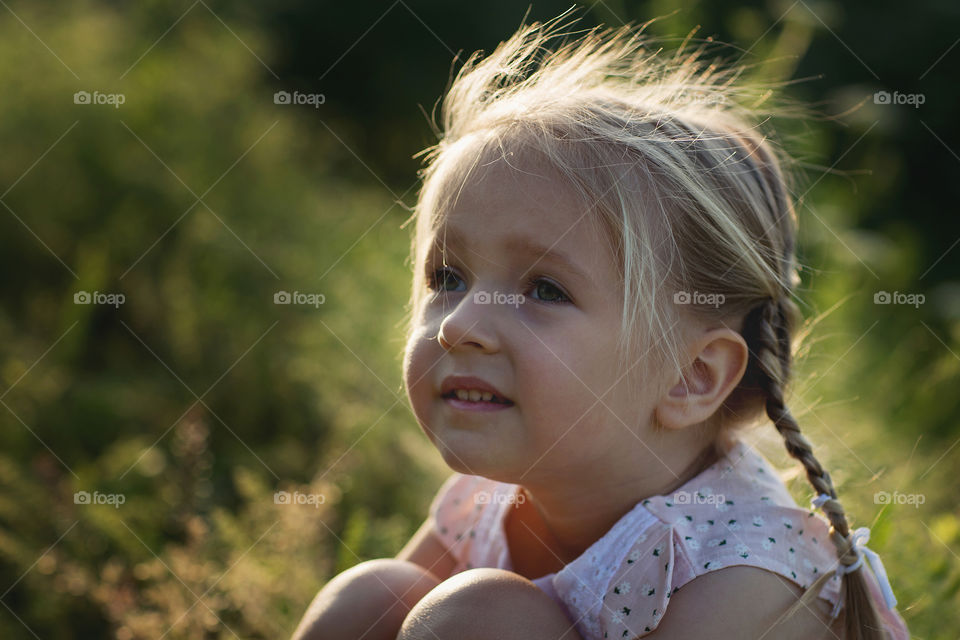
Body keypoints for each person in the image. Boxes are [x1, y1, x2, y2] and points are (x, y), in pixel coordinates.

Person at [292, 10, 910, 640]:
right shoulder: (487, 496)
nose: (461, 323)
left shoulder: (739, 581)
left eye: (545, 289)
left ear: (690, 376)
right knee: (375, 596)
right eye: (448, 277)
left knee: (477, 618)